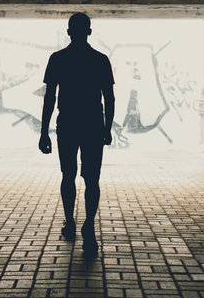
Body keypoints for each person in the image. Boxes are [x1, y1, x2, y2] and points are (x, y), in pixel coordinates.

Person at [39, 13, 115, 258]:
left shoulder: (58, 59)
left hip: (68, 123)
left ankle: (69, 222)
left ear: (69, 32)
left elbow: (49, 98)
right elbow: (109, 98)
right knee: (92, 179)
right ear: (89, 32)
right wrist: (107, 127)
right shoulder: (101, 60)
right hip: (93, 123)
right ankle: (89, 226)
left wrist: (44, 132)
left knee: (68, 174)